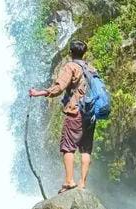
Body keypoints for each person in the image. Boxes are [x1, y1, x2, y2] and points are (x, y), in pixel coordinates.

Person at [29, 40, 96, 194]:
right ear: (83, 52)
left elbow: (59, 87)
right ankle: (82, 184)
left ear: (70, 52)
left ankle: (69, 181)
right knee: (86, 149)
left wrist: (38, 93)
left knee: (68, 147)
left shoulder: (71, 66)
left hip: (75, 111)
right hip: (91, 114)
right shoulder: (91, 68)